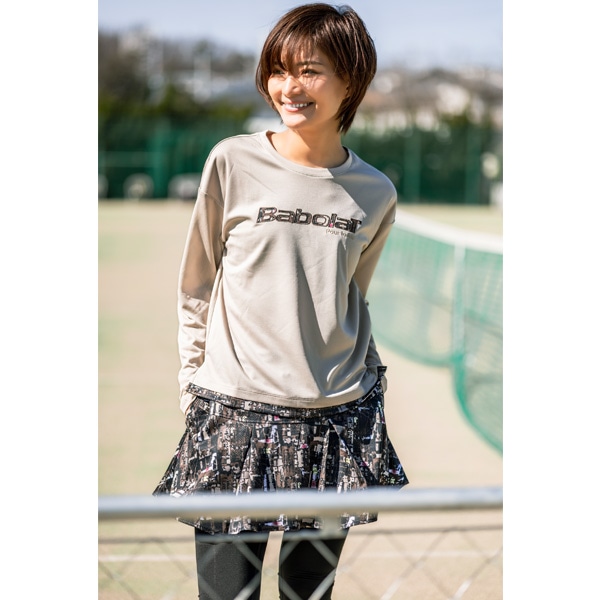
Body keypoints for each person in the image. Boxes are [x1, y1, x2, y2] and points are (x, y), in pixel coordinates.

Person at [153, 3, 408, 599]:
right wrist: (193, 383)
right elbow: (196, 284)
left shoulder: (376, 193)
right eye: (278, 70)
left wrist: (367, 384)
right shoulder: (232, 161)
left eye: (309, 71)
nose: (288, 87)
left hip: (335, 421)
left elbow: (352, 295)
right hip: (233, 413)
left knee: (309, 595)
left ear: (352, 80)